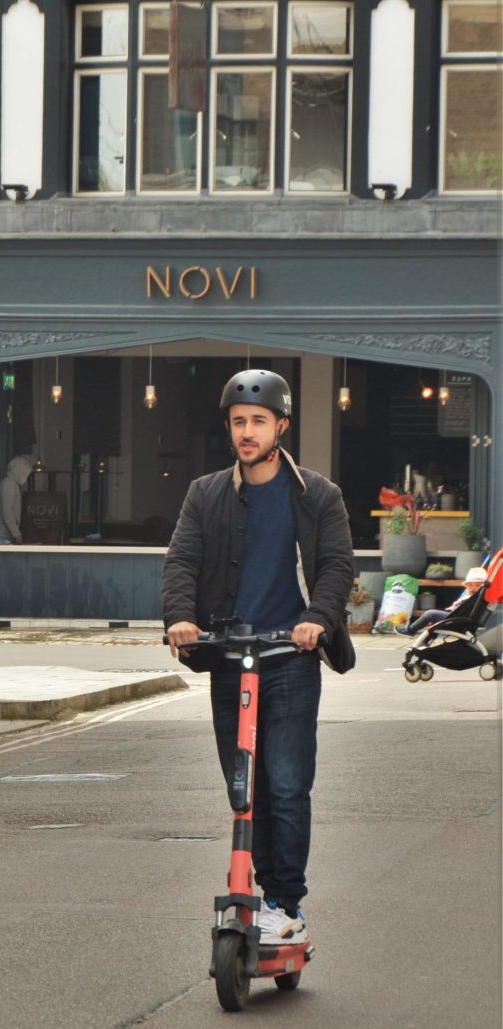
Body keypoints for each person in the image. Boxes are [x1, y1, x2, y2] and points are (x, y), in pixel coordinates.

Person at [162, 369, 355, 947]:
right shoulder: (206, 493)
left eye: (258, 422)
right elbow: (182, 563)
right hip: (232, 656)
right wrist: (179, 618)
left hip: (290, 657)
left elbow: (337, 568)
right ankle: (253, 885)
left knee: (289, 784)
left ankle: (284, 904)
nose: (247, 432)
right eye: (238, 422)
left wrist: (317, 621)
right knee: (245, 787)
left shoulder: (318, 495)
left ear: (281, 427)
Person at [395, 564, 489, 635]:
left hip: (459, 620)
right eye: (471, 585)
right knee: (434, 625)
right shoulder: (470, 596)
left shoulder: (476, 598)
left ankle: (410, 630)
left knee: (430, 614)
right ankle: (424, 644)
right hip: (456, 617)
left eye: (478, 585)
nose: (473, 587)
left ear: (483, 587)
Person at [0, 454, 34, 544]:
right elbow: (7, 510)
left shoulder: (8, 483)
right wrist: (16, 534)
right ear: (19, 471)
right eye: (24, 473)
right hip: (3, 534)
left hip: (4, 533)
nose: (25, 477)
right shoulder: (9, 485)